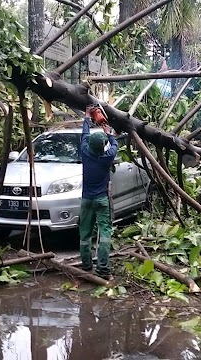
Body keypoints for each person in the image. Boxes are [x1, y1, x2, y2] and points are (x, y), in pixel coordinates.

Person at [79, 106, 118, 280]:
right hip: (101, 200)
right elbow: (115, 143)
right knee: (104, 233)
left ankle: (86, 265)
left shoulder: (85, 153)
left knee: (85, 233)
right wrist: (108, 132)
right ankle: (103, 269)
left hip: (86, 200)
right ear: (103, 146)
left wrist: (87, 117)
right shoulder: (107, 157)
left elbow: (84, 135)